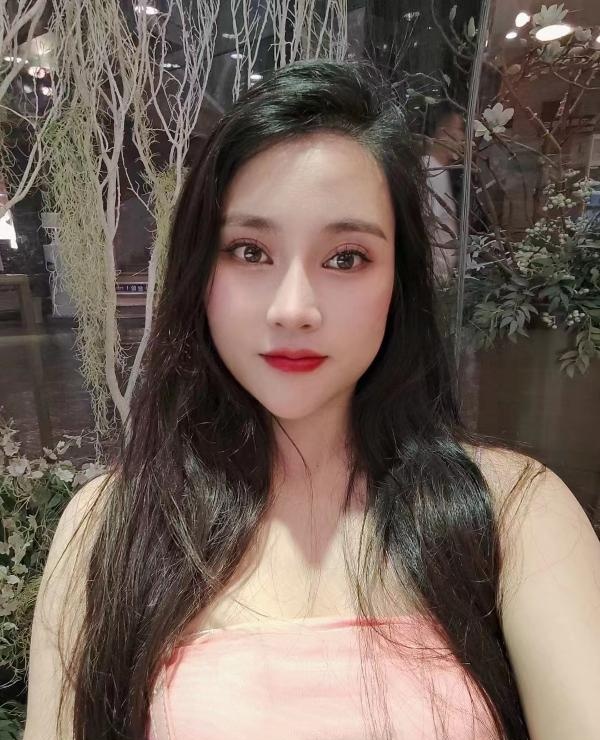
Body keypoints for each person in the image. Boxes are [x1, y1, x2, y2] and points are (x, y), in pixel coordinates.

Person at [23, 60, 600, 740]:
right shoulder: (112, 526)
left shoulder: (513, 516)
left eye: (346, 257)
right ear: (198, 272)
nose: (294, 308)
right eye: (249, 251)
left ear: (399, 283)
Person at [422, 102, 465, 285]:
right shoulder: (430, 171)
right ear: (443, 133)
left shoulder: (438, 170)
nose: (462, 137)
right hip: (431, 280)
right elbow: (424, 228)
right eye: (459, 130)